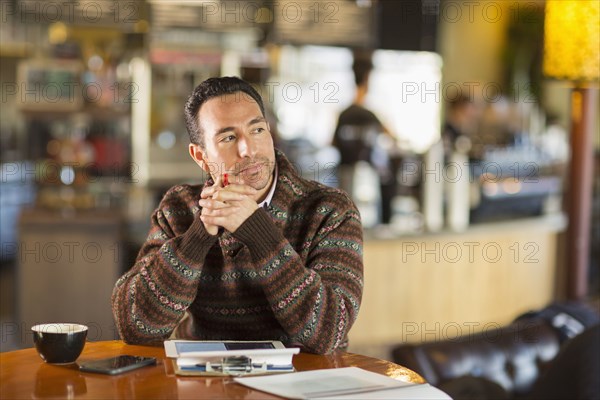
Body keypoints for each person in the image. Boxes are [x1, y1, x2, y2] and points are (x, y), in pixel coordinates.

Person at [111, 77, 364, 355]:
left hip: (302, 379)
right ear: (200, 156)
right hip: (204, 380)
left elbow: (329, 331)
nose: (249, 150)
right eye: (228, 137)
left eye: (256, 130)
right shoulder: (180, 208)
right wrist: (197, 237)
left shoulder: (330, 210)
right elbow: (136, 328)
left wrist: (258, 232)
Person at [332, 53, 396, 224]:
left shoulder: (344, 114)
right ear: (368, 79)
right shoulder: (372, 116)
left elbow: (332, 142)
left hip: (345, 174)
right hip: (367, 178)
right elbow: (392, 137)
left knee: (346, 221)